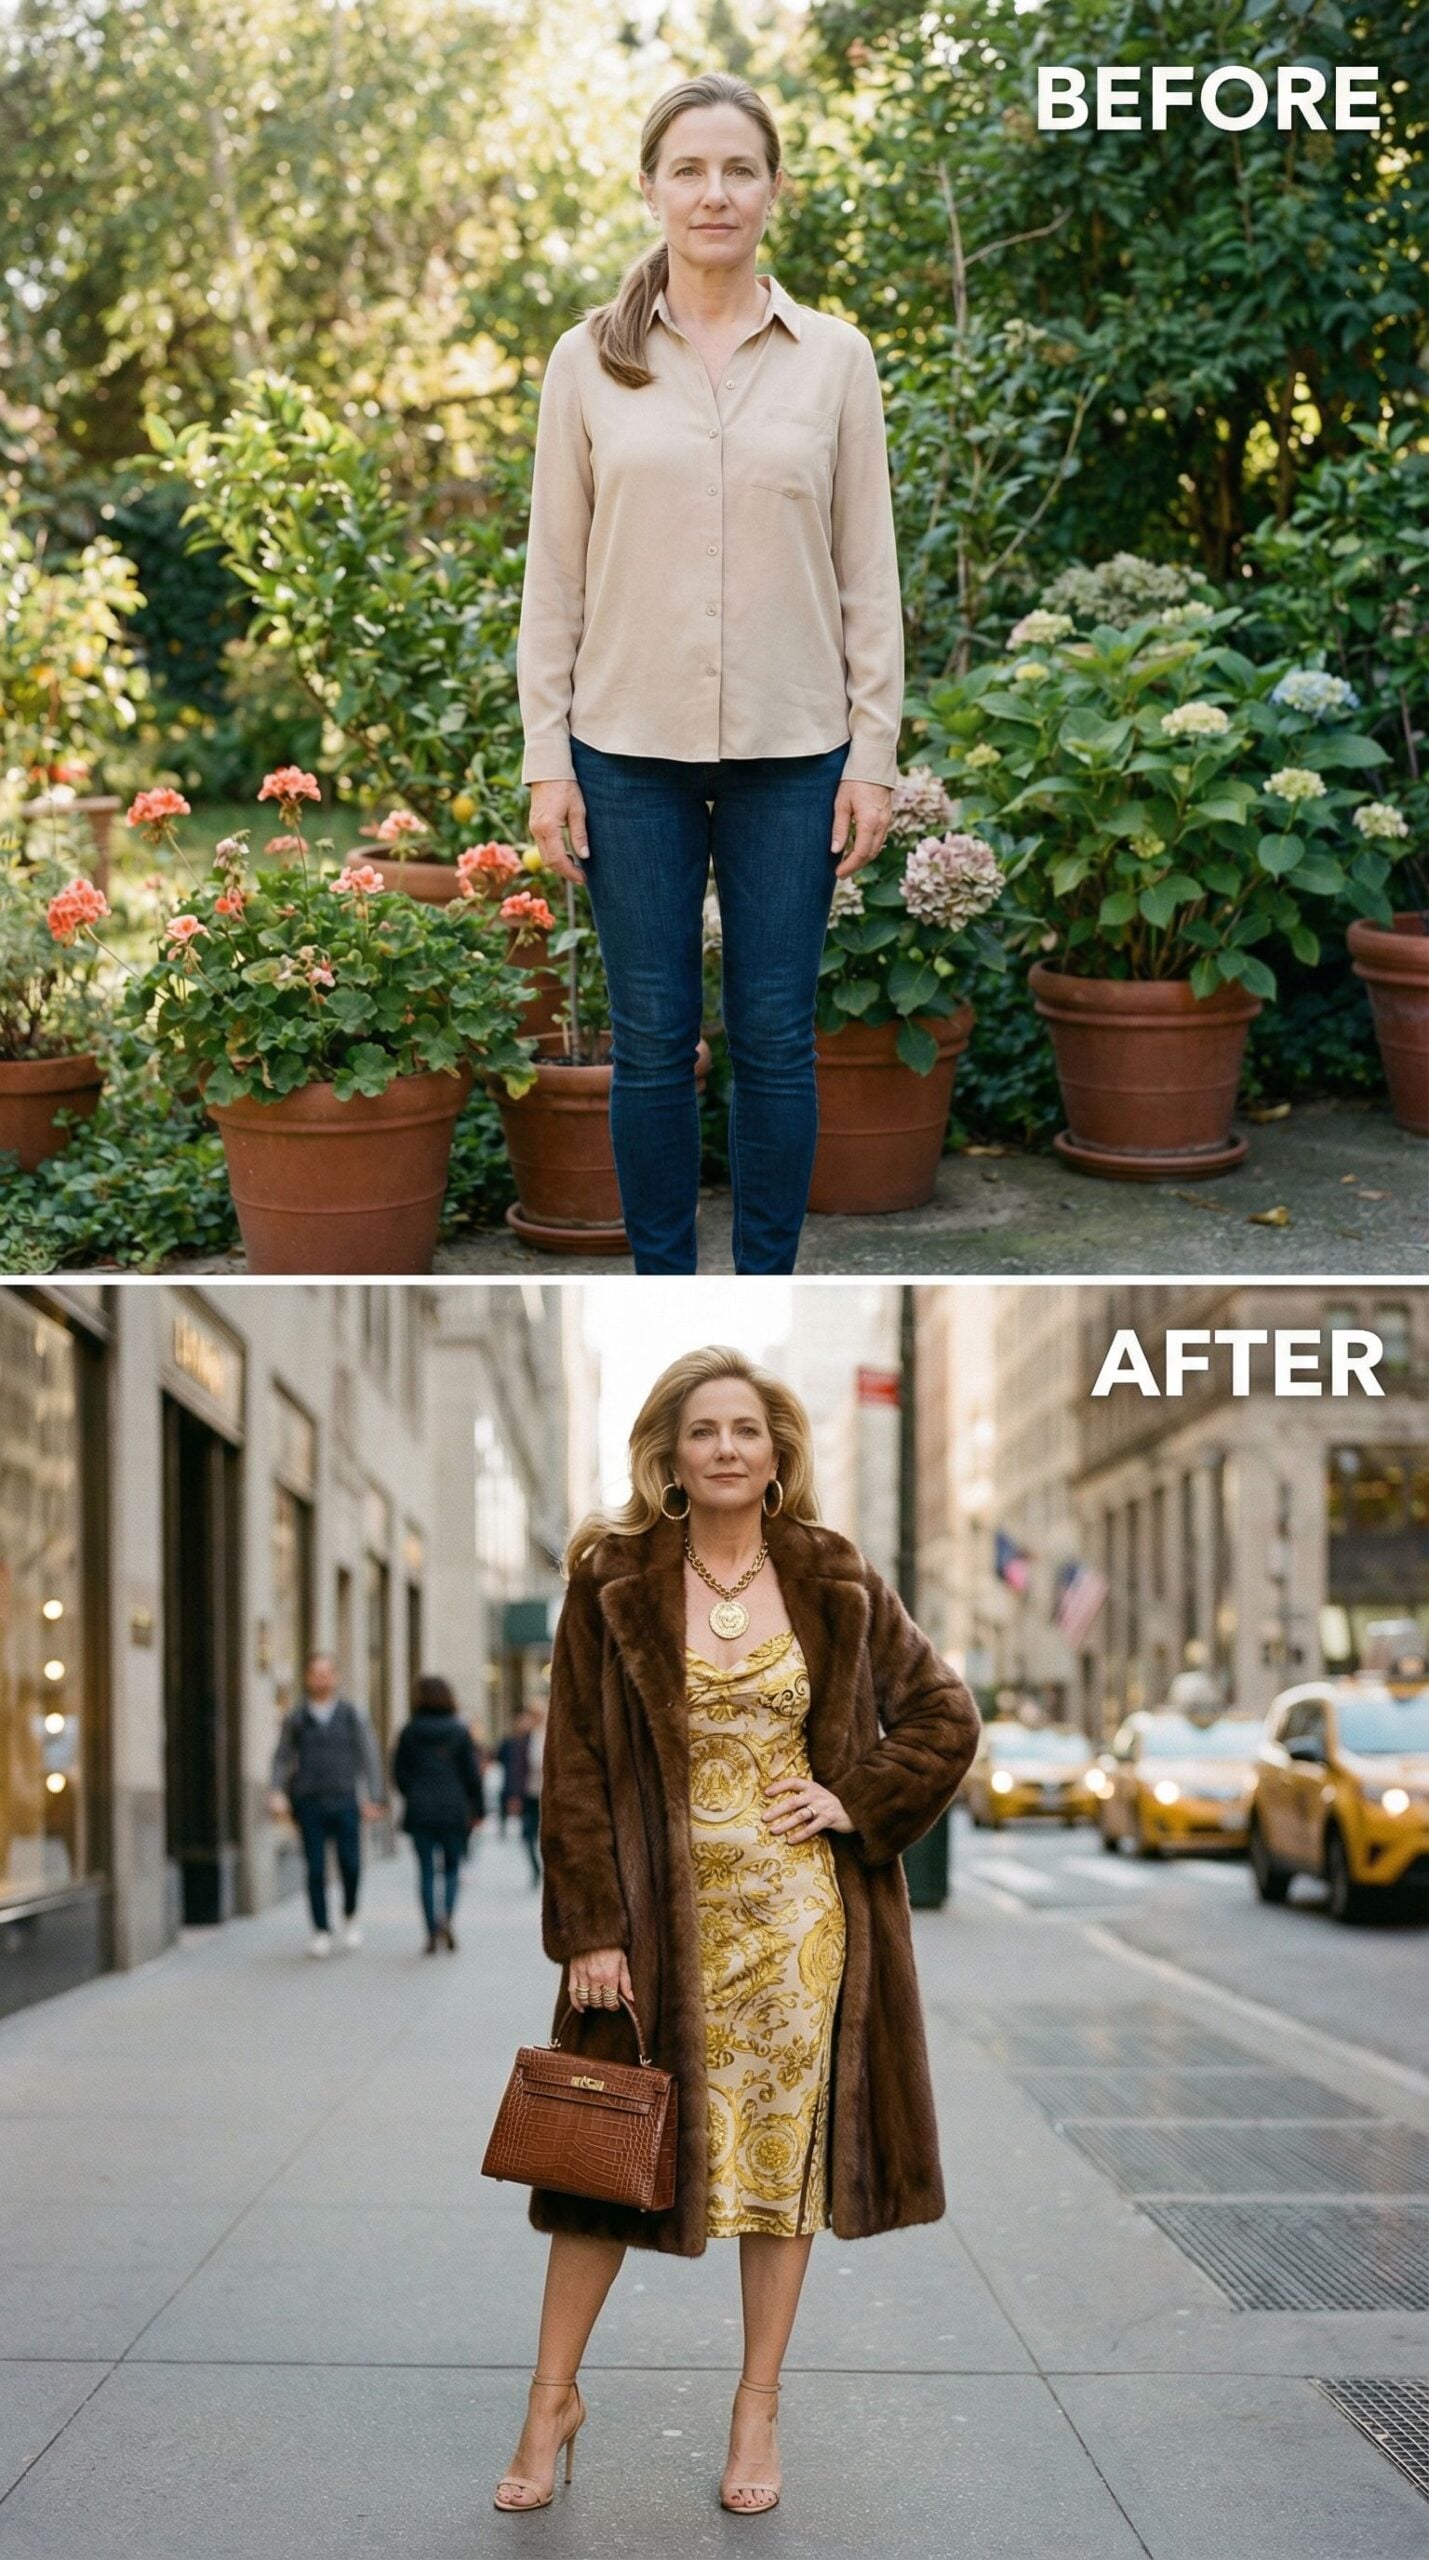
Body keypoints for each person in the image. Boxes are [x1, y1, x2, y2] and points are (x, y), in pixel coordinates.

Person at [492, 1347, 979, 2516]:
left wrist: (854, 1798)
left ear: (776, 1452)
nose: (726, 1447)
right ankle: (548, 2399)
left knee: (778, 2173)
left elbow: (943, 1712)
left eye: (747, 1430)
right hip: (653, 1936)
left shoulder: (831, 1571)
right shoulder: (609, 1578)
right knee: (601, 2169)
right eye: (703, 1429)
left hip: (803, 1930)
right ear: (669, 1450)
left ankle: (755, 2407)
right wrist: (589, 1931)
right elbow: (576, 1769)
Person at [517, 71, 902, 1277]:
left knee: (779, 1040)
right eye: (688, 169)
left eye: (739, 169)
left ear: (774, 191)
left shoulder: (836, 360)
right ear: (650, 190)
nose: (714, 193)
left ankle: (767, 1279)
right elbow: (555, 580)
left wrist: (874, 757)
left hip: (797, 754)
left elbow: (867, 570)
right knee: (649, 1044)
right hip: (624, 754)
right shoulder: (586, 363)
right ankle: (662, 1288)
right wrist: (547, 763)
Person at [267, 1652, 386, 1956]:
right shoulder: (297, 1717)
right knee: (315, 1869)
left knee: (351, 1865)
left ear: (336, 1677)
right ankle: (320, 1929)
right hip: (309, 1802)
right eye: (315, 1673)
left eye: (326, 1673)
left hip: (345, 1799)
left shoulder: (350, 1714)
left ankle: (349, 1916)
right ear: (307, 1678)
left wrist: (373, 1797)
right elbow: (281, 1757)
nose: (320, 1679)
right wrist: (276, 1790)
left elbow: (368, 1756)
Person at [390, 1676, 487, 1954]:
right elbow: (472, 1775)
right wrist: (478, 1809)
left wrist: (413, 1792)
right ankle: (447, 1916)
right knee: (452, 1868)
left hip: (421, 1810)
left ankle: (431, 1928)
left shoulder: (409, 1732)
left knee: (426, 1871)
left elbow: (399, 1772)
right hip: (453, 1808)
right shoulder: (459, 1731)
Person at [520, 1699, 546, 1886]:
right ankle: (536, 1868)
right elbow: (516, 1767)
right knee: (527, 1834)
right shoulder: (524, 1737)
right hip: (529, 1793)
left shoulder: (553, 1734)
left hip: (548, 1795)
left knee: (548, 1835)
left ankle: (548, 1867)